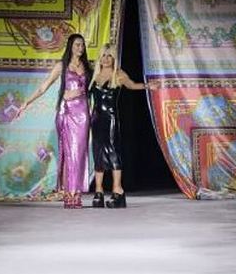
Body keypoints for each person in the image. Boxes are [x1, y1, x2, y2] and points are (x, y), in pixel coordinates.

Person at [16, 34, 91, 208]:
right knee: (69, 153)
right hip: (67, 112)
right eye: (77, 45)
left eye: (82, 45)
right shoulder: (62, 66)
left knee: (80, 153)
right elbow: (44, 87)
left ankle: (77, 192)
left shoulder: (87, 67)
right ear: (71, 46)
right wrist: (26, 102)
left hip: (83, 114)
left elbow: (94, 86)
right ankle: (69, 194)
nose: (80, 48)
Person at [88, 44, 155, 208]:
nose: (106, 59)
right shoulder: (94, 75)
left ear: (114, 58)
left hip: (110, 118)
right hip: (96, 119)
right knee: (98, 153)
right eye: (103, 55)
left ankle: (118, 191)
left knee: (112, 152)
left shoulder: (118, 74)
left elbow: (132, 85)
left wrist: (147, 86)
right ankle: (99, 191)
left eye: (109, 56)